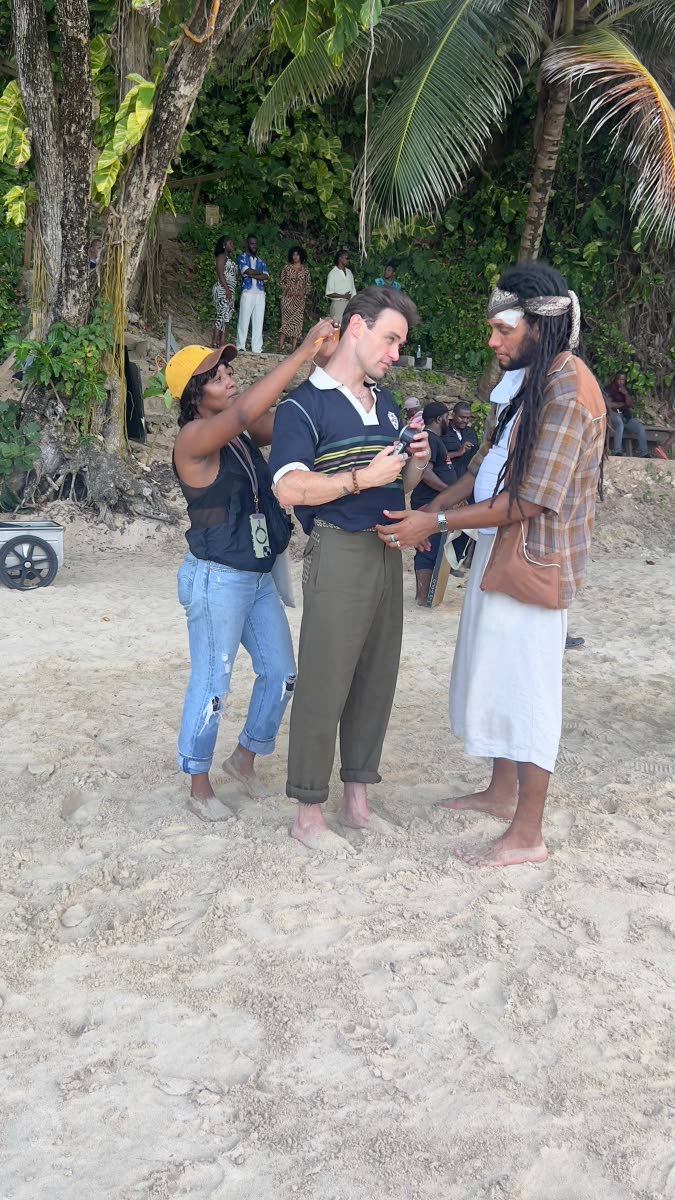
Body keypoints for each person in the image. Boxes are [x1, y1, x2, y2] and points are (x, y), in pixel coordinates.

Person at [376, 263, 606, 868]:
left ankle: (527, 834)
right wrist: (426, 504)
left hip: (534, 566)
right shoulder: (529, 381)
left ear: (540, 325)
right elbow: (483, 469)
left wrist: (436, 523)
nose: (493, 341)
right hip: (500, 556)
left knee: (528, 693)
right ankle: (502, 793)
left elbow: (530, 500)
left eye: (503, 329)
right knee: (497, 676)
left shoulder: (568, 391)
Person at [269, 287, 428, 851]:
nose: (394, 353)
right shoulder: (301, 406)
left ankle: (357, 801)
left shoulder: (385, 402)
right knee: (325, 679)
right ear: (356, 327)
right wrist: (361, 479)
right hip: (338, 550)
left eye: (400, 345)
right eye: (390, 339)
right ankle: (308, 811)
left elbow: (399, 483)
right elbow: (288, 486)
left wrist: (414, 468)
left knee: (375, 678)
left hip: (388, 550)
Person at [167, 316, 337, 823]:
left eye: (227, 371)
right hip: (217, 578)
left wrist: (323, 369)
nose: (229, 379)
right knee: (213, 680)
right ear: (196, 395)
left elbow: (284, 418)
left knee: (282, 674)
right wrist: (303, 350)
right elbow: (245, 412)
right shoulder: (195, 437)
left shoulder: (238, 436)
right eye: (217, 376)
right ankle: (199, 785)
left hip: (257, 574)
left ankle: (245, 758)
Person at [410, 402, 456, 605]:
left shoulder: (436, 440)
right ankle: (422, 596)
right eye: (448, 417)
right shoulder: (431, 441)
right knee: (427, 546)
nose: (450, 421)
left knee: (437, 546)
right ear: (439, 419)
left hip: (438, 504)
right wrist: (451, 493)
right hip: (428, 505)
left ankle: (429, 594)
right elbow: (425, 473)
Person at [236, 234, 269, 355]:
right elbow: (245, 271)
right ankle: (241, 345)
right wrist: (258, 273)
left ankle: (256, 348)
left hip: (260, 294)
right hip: (248, 292)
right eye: (251, 243)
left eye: (255, 244)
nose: (254, 246)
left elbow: (266, 276)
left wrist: (252, 274)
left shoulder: (261, 260)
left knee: (258, 321)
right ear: (247, 244)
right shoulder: (242, 257)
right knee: (244, 319)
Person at [278, 246, 312, 354]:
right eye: (293, 254)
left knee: (297, 323)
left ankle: (293, 349)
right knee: (285, 322)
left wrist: (303, 292)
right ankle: (280, 346)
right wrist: (287, 289)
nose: (295, 257)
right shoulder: (286, 268)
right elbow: (281, 282)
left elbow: (308, 285)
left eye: (297, 254)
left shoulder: (305, 270)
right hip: (288, 299)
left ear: (301, 256)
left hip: (299, 300)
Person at [606, 372, 649, 457]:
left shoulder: (626, 390)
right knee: (619, 424)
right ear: (615, 379)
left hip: (625, 415)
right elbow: (609, 404)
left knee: (640, 428)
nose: (620, 382)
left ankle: (644, 453)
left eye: (622, 380)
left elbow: (629, 404)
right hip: (613, 414)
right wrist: (622, 404)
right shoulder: (609, 389)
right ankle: (617, 451)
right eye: (619, 379)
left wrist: (625, 394)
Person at [212, 235, 238, 349]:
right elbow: (220, 273)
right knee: (221, 315)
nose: (232, 245)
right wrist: (227, 289)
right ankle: (214, 342)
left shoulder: (228, 258)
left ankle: (222, 343)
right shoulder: (221, 257)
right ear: (224, 245)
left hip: (229, 290)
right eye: (230, 243)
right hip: (223, 289)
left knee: (226, 317)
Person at [442, 402, 480, 477]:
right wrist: (457, 453)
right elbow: (438, 457)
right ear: (453, 415)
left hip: (469, 479)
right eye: (462, 417)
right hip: (448, 478)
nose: (465, 420)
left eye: (467, 418)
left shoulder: (470, 432)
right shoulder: (443, 432)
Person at [325, 250, 356, 323]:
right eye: (346, 258)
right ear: (340, 258)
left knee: (348, 326)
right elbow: (329, 293)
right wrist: (343, 296)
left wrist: (354, 302)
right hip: (338, 304)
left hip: (350, 303)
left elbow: (353, 290)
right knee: (338, 326)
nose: (348, 260)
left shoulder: (349, 272)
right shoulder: (332, 273)